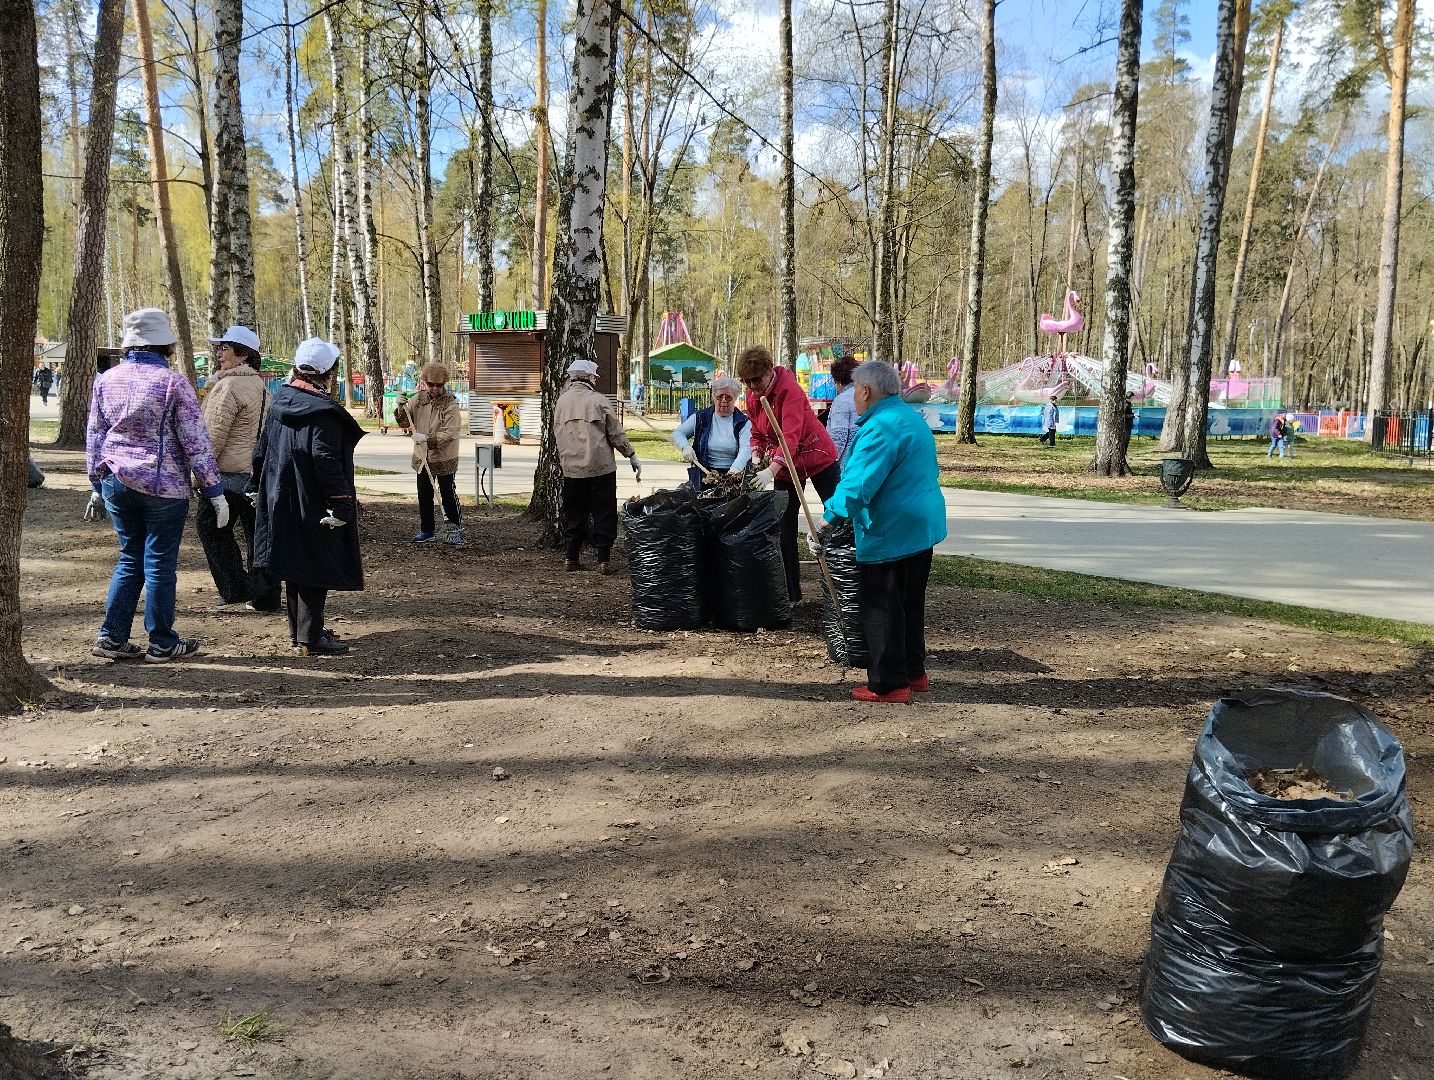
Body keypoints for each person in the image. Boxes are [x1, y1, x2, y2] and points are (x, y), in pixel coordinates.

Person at [85, 308, 225, 662]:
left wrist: (96, 482)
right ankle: (162, 641)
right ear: (167, 344)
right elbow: (195, 439)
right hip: (164, 487)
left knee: (129, 558)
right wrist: (213, 489)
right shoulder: (173, 383)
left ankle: (112, 637)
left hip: (116, 479)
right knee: (159, 564)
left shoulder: (106, 379)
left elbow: (95, 434)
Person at [821, 360, 947, 703]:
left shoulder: (880, 428)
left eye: (854, 391)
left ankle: (890, 683)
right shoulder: (907, 417)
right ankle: (914, 671)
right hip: (921, 526)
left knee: (881, 606)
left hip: (893, 529)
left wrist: (827, 519)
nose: (853, 398)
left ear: (865, 390)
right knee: (908, 602)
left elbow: (858, 482)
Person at [251, 339, 365, 656]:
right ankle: (311, 638)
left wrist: (255, 485)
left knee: (293, 564)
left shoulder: (280, 402)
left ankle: (300, 633)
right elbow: (325, 460)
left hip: (278, 498)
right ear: (329, 372)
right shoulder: (323, 413)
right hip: (312, 500)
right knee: (315, 567)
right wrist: (342, 500)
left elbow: (261, 450)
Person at [738, 344, 840, 602]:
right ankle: (791, 595)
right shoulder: (753, 396)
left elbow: (790, 437)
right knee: (783, 527)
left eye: (756, 380)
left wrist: (772, 469)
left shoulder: (789, 390)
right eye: (747, 382)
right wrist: (757, 455)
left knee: (839, 518)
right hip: (784, 463)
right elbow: (757, 431)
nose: (752, 386)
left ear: (769, 371)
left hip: (816, 456)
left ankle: (843, 587)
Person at [196, 324, 279, 613]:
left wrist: (201, 476)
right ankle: (266, 596)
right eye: (220, 348)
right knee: (258, 536)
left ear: (243, 355)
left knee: (210, 527)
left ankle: (236, 589)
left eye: (225, 348)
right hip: (256, 475)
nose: (220, 353)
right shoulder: (262, 387)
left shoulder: (228, 386)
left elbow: (212, 436)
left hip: (229, 477)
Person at [554, 357, 639, 574]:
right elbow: (615, 433)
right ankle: (604, 560)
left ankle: (571, 557)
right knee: (604, 512)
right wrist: (630, 454)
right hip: (601, 468)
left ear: (572, 378)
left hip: (571, 469)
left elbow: (556, 433)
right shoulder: (599, 401)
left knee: (575, 513)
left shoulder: (561, 402)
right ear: (590, 377)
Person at [394, 362, 465, 545]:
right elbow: (404, 423)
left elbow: (451, 433)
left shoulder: (451, 404)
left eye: (439, 385)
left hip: (443, 455)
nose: (435, 389)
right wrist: (401, 408)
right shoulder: (417, 400)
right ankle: (427, 530)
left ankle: (455, 529)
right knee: (424, 493)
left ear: (444, 383)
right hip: (422, 456)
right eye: (431, 384)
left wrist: (426, 438)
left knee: (447, 493)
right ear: (425, 381)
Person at [672, 375, 753, 490]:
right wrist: (685, 447)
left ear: (735, 398)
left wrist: (734, 472)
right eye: (720, 396)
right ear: (714, 397)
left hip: (734, 476)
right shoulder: (700, 418)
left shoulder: (743, 423)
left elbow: (746, 449)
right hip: (703, 475)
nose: (723, 400)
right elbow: (678, 433)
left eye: (728, 397)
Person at [826, 353, 860, 463]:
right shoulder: (866, 395)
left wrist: (829, 463)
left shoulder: (841, 401)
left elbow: (838, 437)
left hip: (848, 465)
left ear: (838, 381)